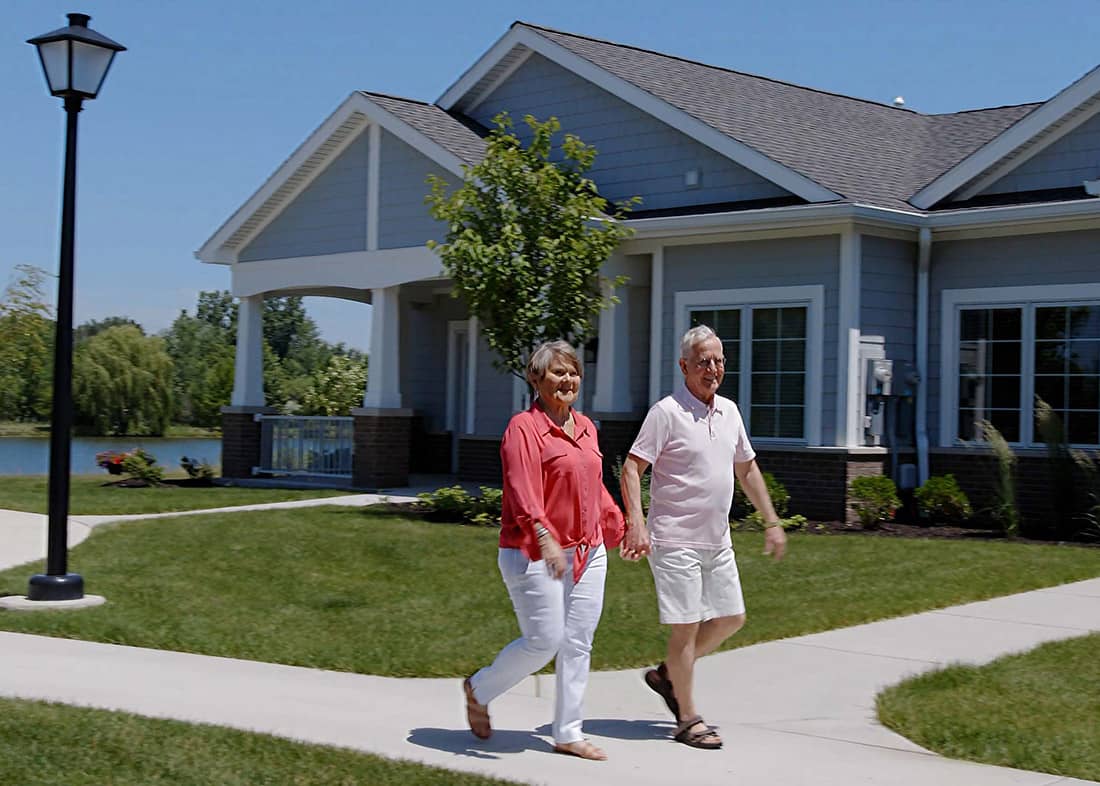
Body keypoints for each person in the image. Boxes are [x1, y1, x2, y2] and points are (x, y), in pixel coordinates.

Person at [619, 324, 787, 750]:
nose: (712, 369)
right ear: (684, 366)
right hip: (674, 539)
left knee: (732, 618)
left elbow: (746, 469)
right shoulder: (666, 412)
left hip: (717, 539)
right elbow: (631, 468)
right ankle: (688, 718)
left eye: (719, 361)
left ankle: (668, 674)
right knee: (686, 628)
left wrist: (771, 520)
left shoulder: (730, 412)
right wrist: (636, 522)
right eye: (703, 362)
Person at [463, 340, 625, 761]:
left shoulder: (587, 427)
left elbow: (592, 484)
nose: (568, 379)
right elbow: (520, 487)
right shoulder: (524, 427)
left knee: (578, 642)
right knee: (544, 641)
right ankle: (479, 689)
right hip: (533, 551)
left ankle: (568, 732)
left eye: (573, 372)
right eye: (557, 372)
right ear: (536, 379)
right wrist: (544, 534)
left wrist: (618, 522)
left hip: (587, 551)